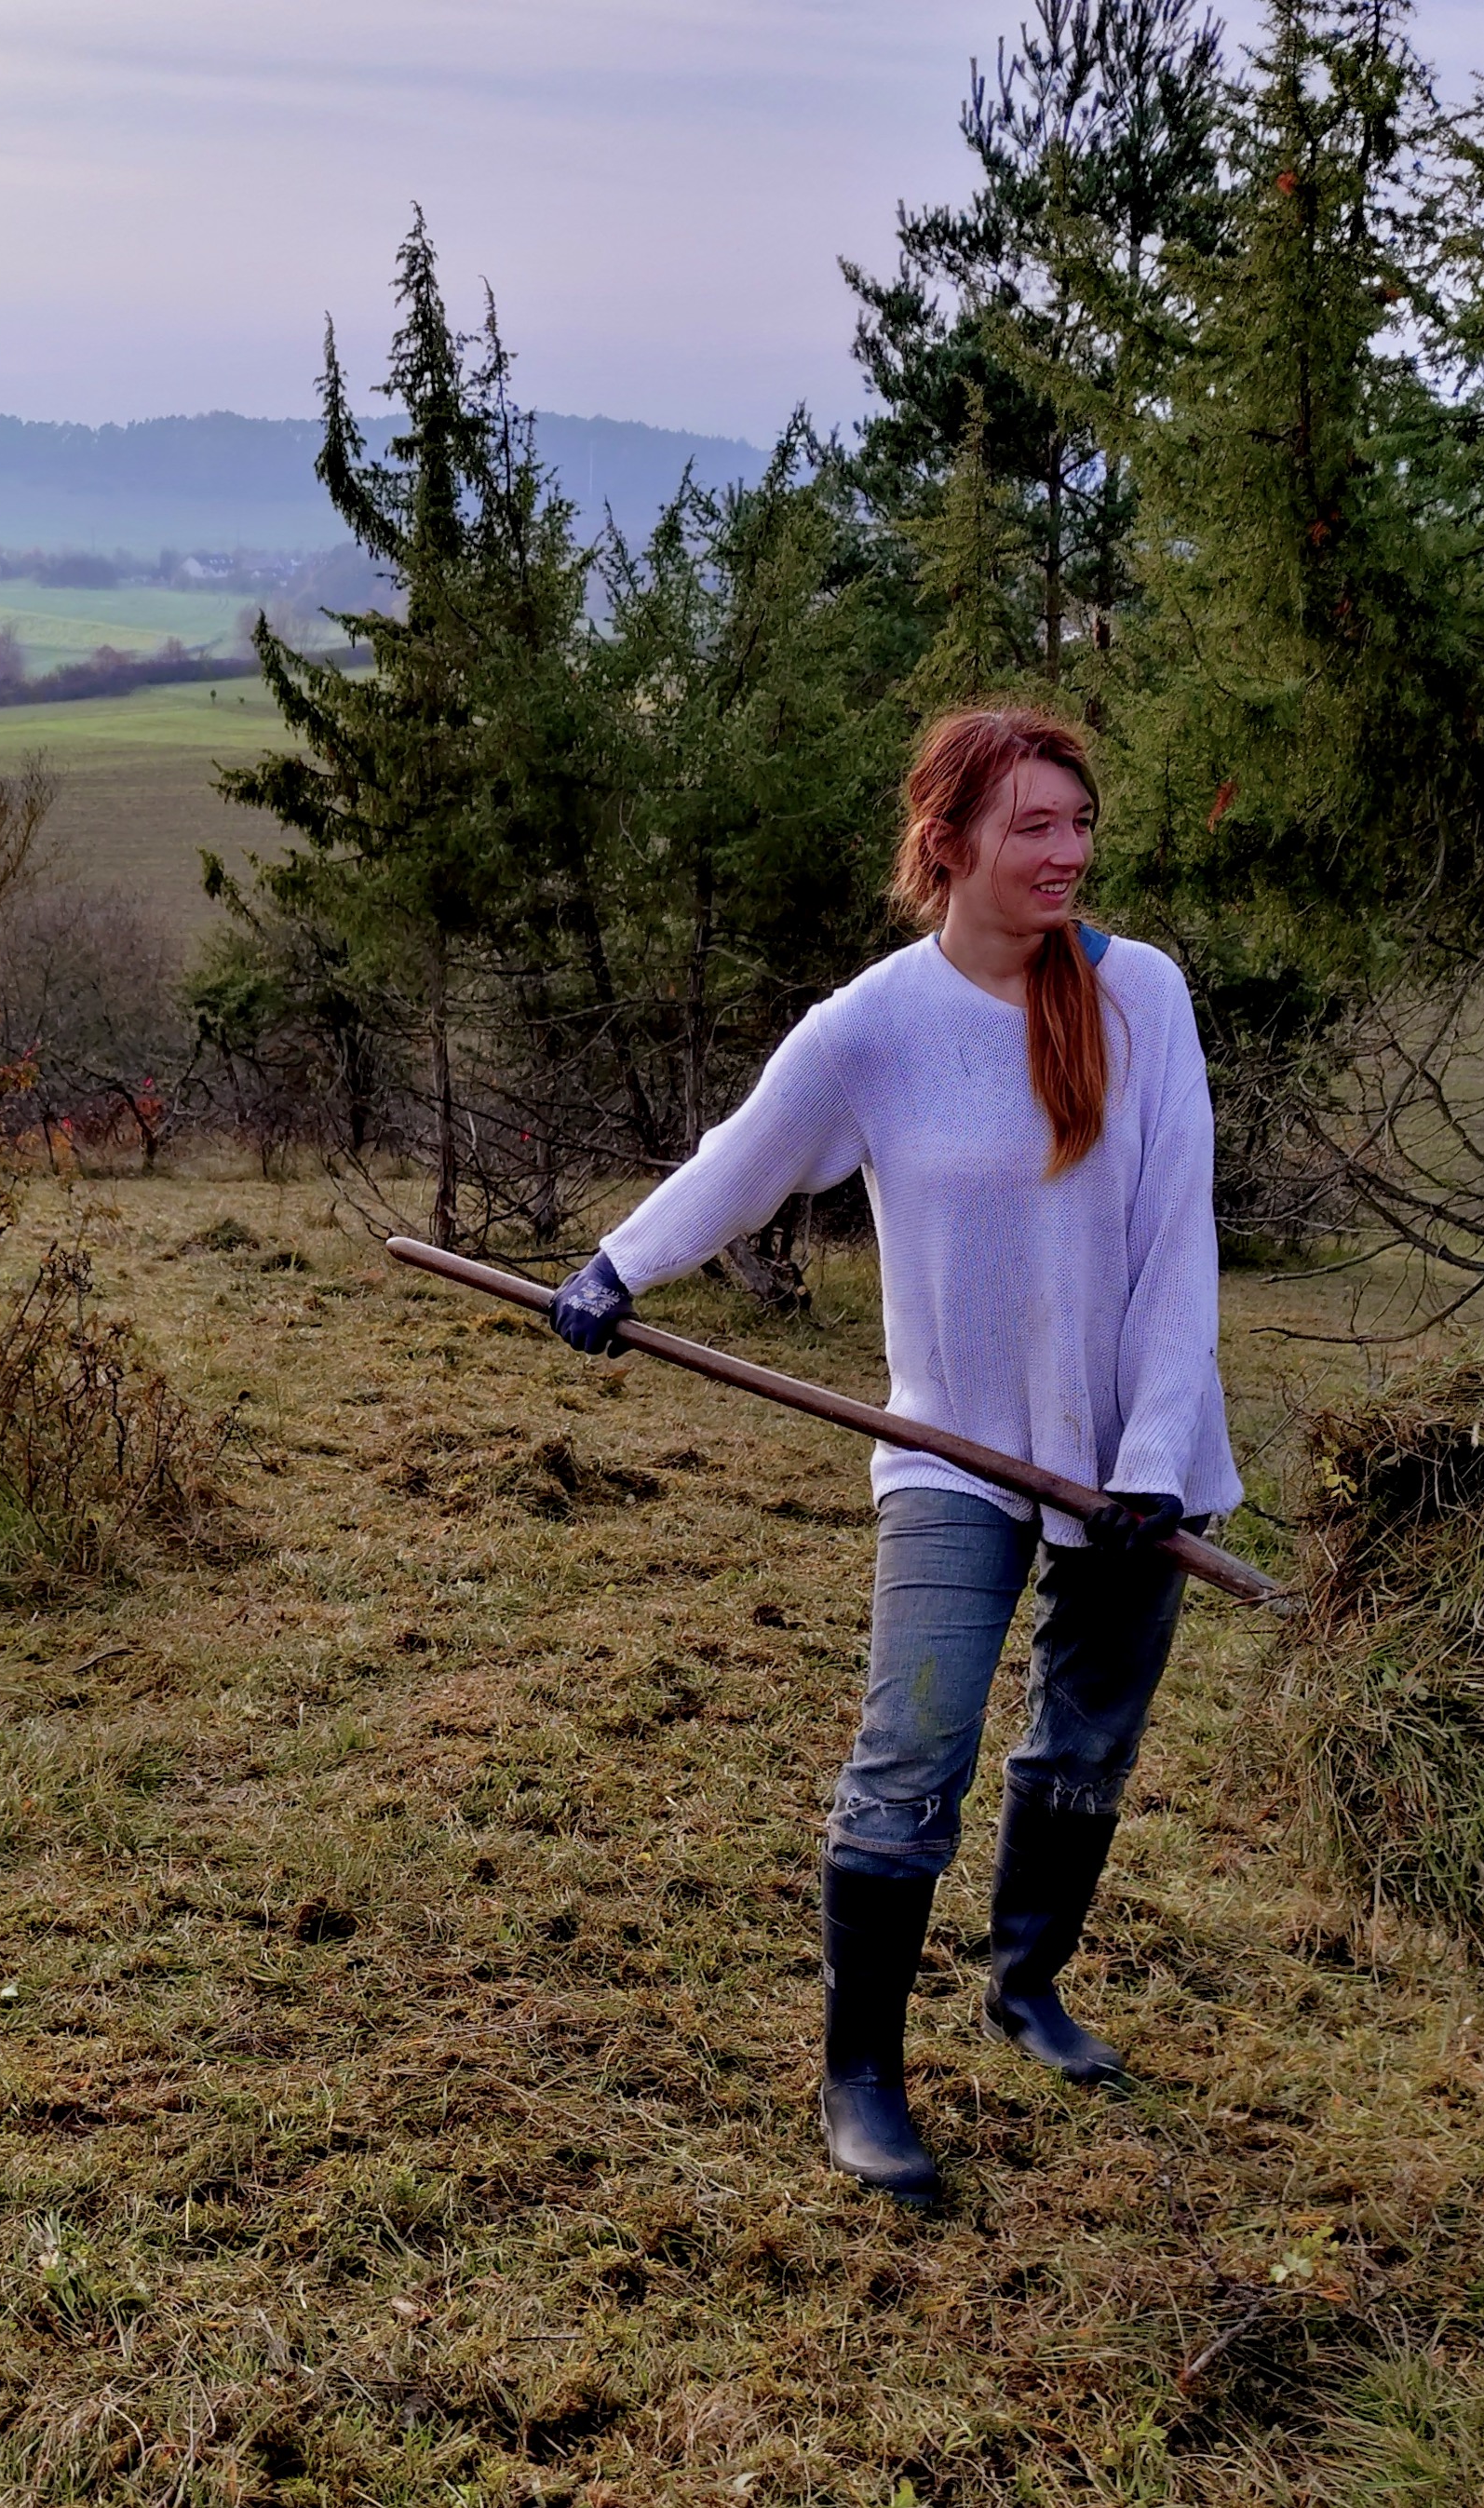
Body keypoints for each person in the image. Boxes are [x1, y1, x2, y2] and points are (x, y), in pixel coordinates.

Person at [543, 700, 1237, 2204]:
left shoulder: (1145, 999)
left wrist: (1160, 1458)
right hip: (951, 1452)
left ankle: (1025, 1984)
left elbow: (1181, 1245)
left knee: (1085, 1742)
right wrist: (619, 1268)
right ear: (951, 846)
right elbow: (746, 1158)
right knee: (913, 1747)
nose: (1069, 853)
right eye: (1033, 827)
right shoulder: (874, 1027)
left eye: (1080, 823)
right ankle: (860, 2077)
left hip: (1136, 1457)